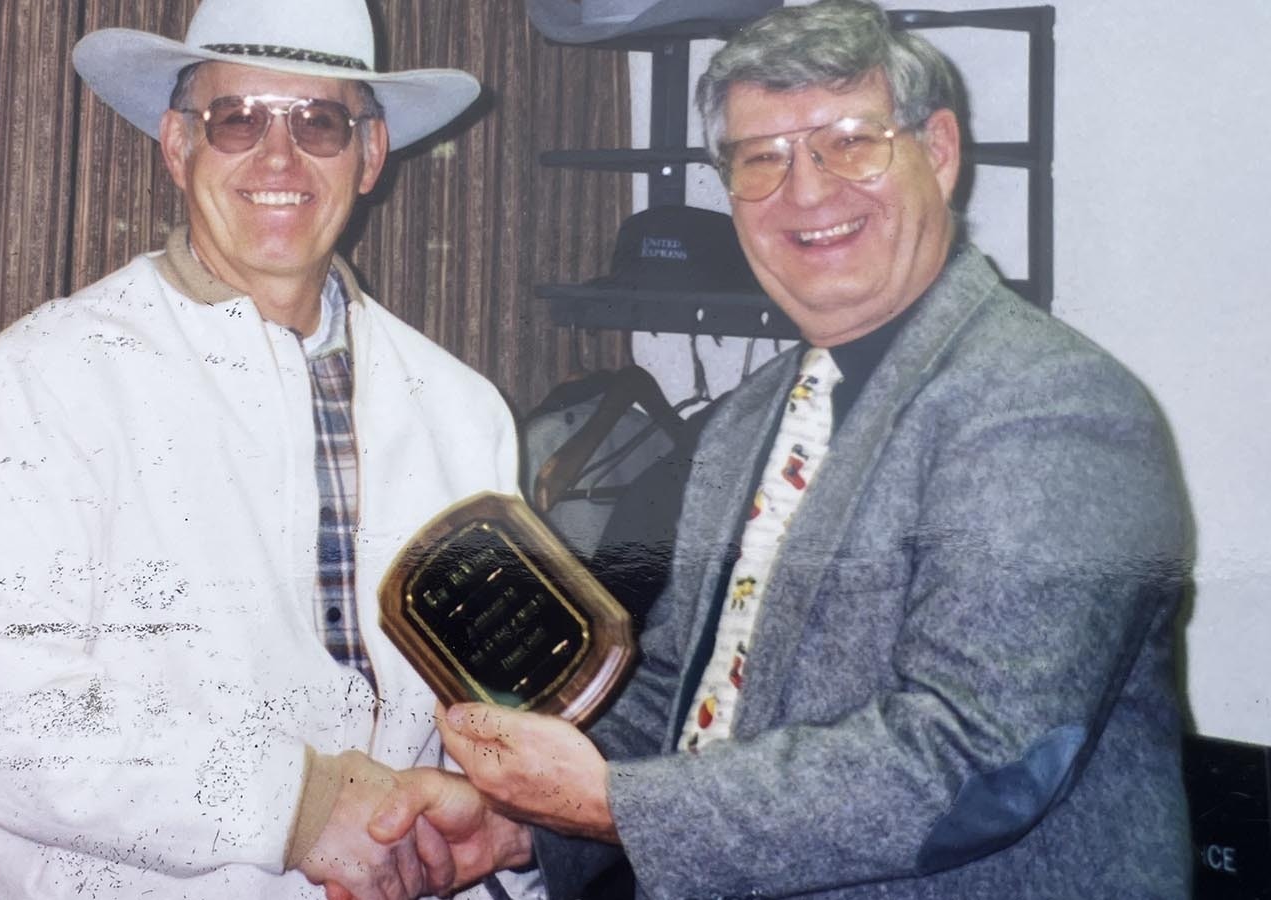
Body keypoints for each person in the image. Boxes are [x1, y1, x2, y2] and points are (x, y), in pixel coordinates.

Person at [370, 1, 1194, 897]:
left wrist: (614, 805)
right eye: (763, 158)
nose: (807, 192)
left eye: (850, 142)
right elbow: (686, 691)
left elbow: (980, 758)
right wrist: (517, 830)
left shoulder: (1050, 407)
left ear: (941, 151)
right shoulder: (748, 420)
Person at [0, 0, 529, 898]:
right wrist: (300, 806)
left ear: (371, 154)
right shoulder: (50, 378)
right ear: (179, 147)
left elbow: (496, 711)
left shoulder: (463, 411)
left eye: (319, 122)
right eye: (238, 119)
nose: (279, 158)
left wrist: (502, 831)